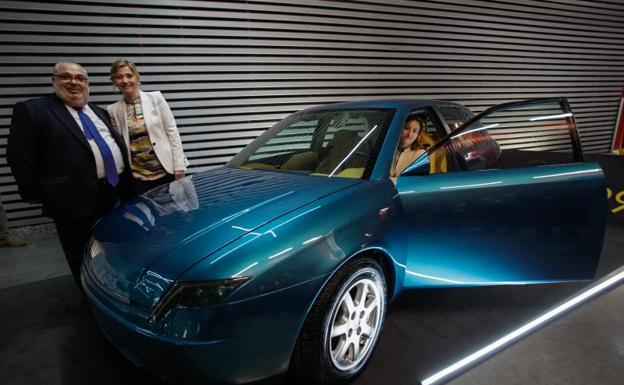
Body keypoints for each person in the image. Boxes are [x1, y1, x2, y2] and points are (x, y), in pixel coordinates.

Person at [7, 61, 131, 285]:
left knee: (113, 248)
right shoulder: (34, 110)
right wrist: (43, 194)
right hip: (71, 200)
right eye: (65, 77)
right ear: (54, 81)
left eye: (80, 78)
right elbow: (19, 156)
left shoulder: (98, 111)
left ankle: (115, 288)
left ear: (87, 84)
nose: (73, 82)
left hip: (112, 192)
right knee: (82, 255)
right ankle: (91, 297)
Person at [107, 58, 188, 195]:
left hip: (166, 171)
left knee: (176, 211)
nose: (125, 80)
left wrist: (179, 166)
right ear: (115, 82)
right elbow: (119, 146)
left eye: (129, 75)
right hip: (139, 179)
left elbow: (172, 132)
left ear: (137, 77)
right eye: (119, 77)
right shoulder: (113, 110)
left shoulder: (156, 98)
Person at [390, 116, 427, 181]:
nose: (409, 134)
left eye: (414, 131)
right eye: (406, 128)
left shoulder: (421, 155)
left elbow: (419, 181)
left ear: (417, 135)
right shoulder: (387, 149)